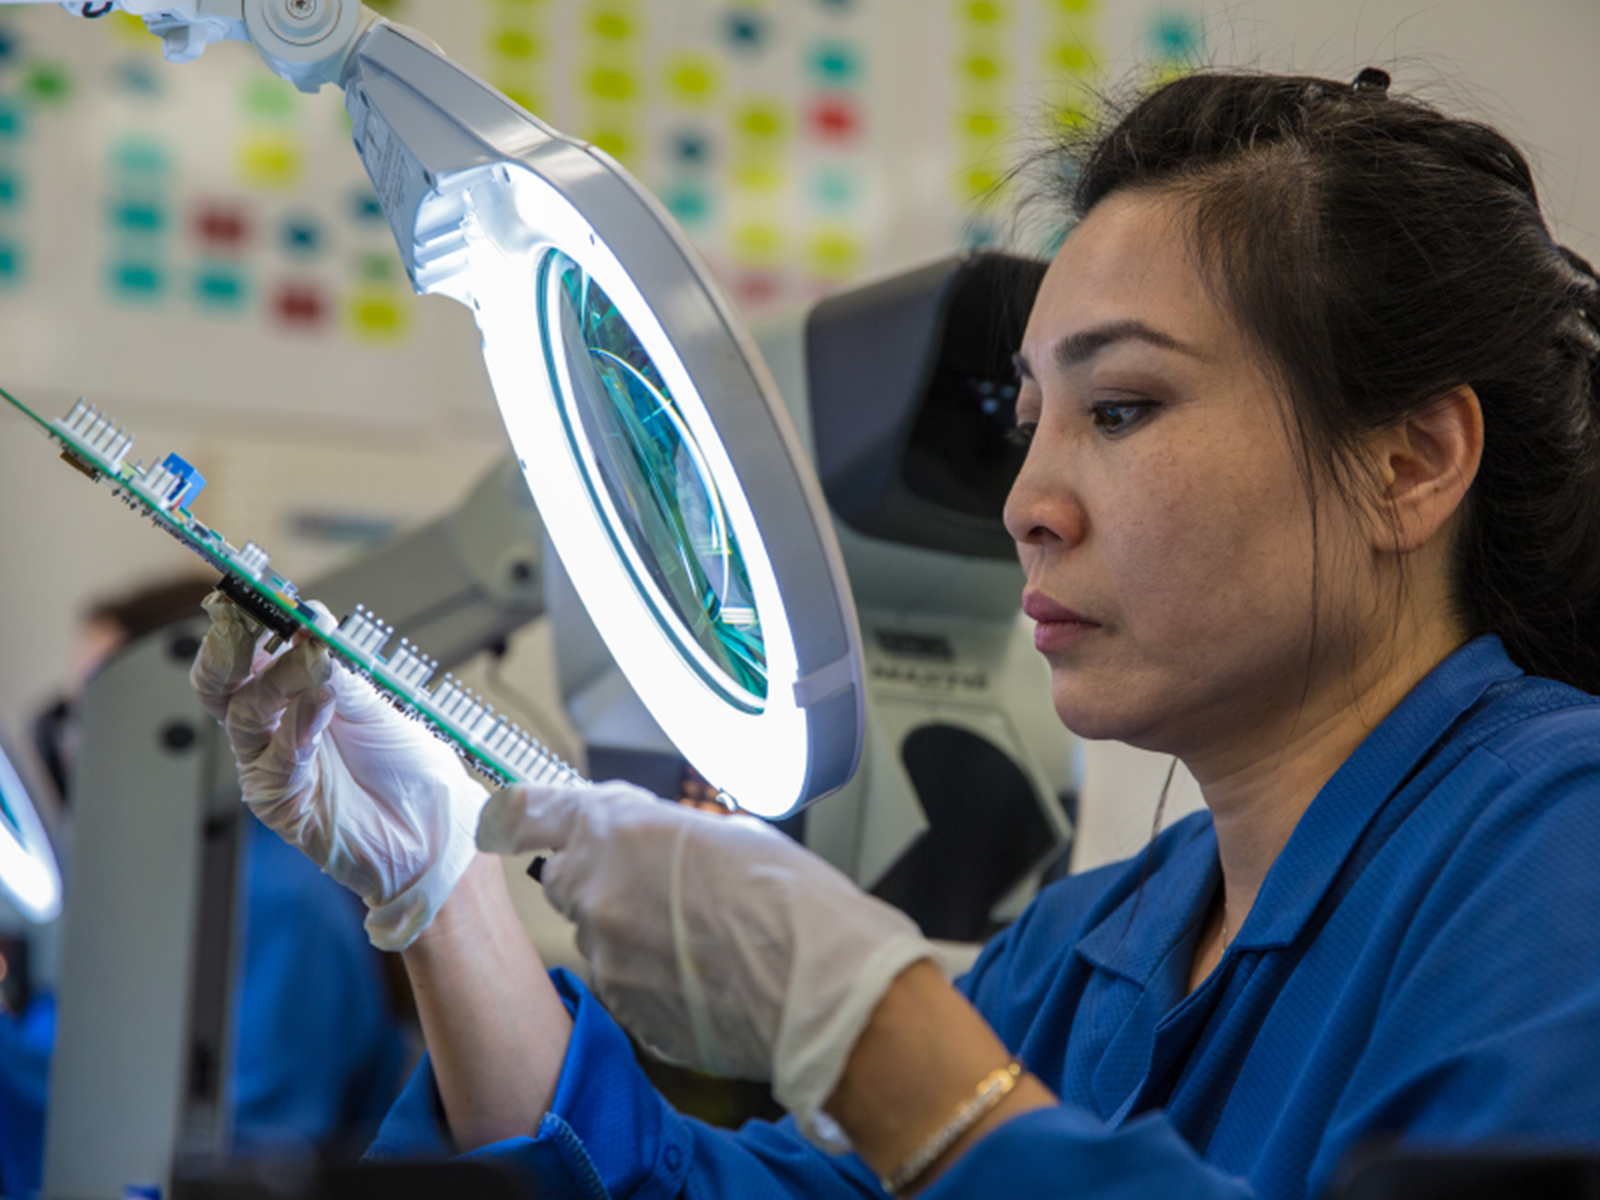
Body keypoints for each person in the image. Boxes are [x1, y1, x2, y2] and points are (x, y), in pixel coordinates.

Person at [191, 68, 1600, 1199]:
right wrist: (441, 892)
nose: (1031, 507)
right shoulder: (1101, 940)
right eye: (1031, 423)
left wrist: (869, 1024)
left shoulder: (1558, 848)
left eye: (1120, 410)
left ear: (1412, 463)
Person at [1, 578, 409, 1197]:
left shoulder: (283, 901)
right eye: (71, 713)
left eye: (99, 713)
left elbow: (234, 1151)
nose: (72, 743)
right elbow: (83, 1063)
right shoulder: (157, 871)